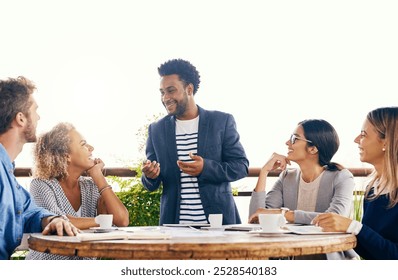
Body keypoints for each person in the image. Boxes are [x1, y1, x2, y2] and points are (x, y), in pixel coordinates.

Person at [141, 58, 249, 225]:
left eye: (171, 91)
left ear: (189, 89)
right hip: (174, 226)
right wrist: (150, 175)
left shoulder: (221, 121)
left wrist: (206, 167)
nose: (165, 98)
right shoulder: (157, 130)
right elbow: (150, 183)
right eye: (162, 92)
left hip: (217, 225)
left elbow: (241, 166)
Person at [248, 119, 357, 259]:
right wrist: (264, 172)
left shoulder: (342, 177)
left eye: (294, 138)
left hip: (327, 258)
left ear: (313, 148)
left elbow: (333, 219)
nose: (287, 143)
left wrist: (283, 214)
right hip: (292, 256)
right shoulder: (287, 176)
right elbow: (256, 218)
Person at [0, 76, 78, 260]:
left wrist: (52, 219)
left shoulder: (7, 173)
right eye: (35, 110)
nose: (38, 117)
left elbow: (28, 210)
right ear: (20, 118)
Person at [26, 122, 129, 260]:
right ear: (66, 155)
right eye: (83, 144)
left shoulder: (91, 186)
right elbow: (57, 222)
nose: (91, 148)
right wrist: (101, 221)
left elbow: (122, 220)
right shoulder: (42, 184)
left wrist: (98, 176)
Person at [313, 107, 398, 260]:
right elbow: (371, 251)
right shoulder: (373, 189)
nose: (356, 139)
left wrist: (354, 227)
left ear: (386, 142)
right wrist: (342, 228)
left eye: (364, 134)